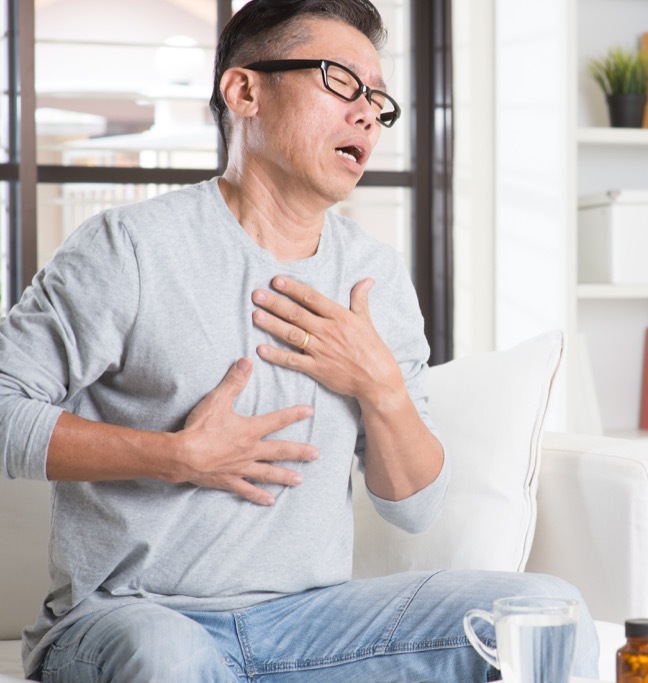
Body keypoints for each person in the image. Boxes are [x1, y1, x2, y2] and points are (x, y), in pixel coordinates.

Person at [0, 1, 599, 680]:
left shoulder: (374, 278)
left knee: (546, 609)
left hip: (307, 622)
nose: (368, 113)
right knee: (170, 656)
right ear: (244, 90)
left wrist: (380, 385)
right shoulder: (129, 249)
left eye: (377, 98)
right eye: (340, 81)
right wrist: (175, 456)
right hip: (129, 616)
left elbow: (415, 505)